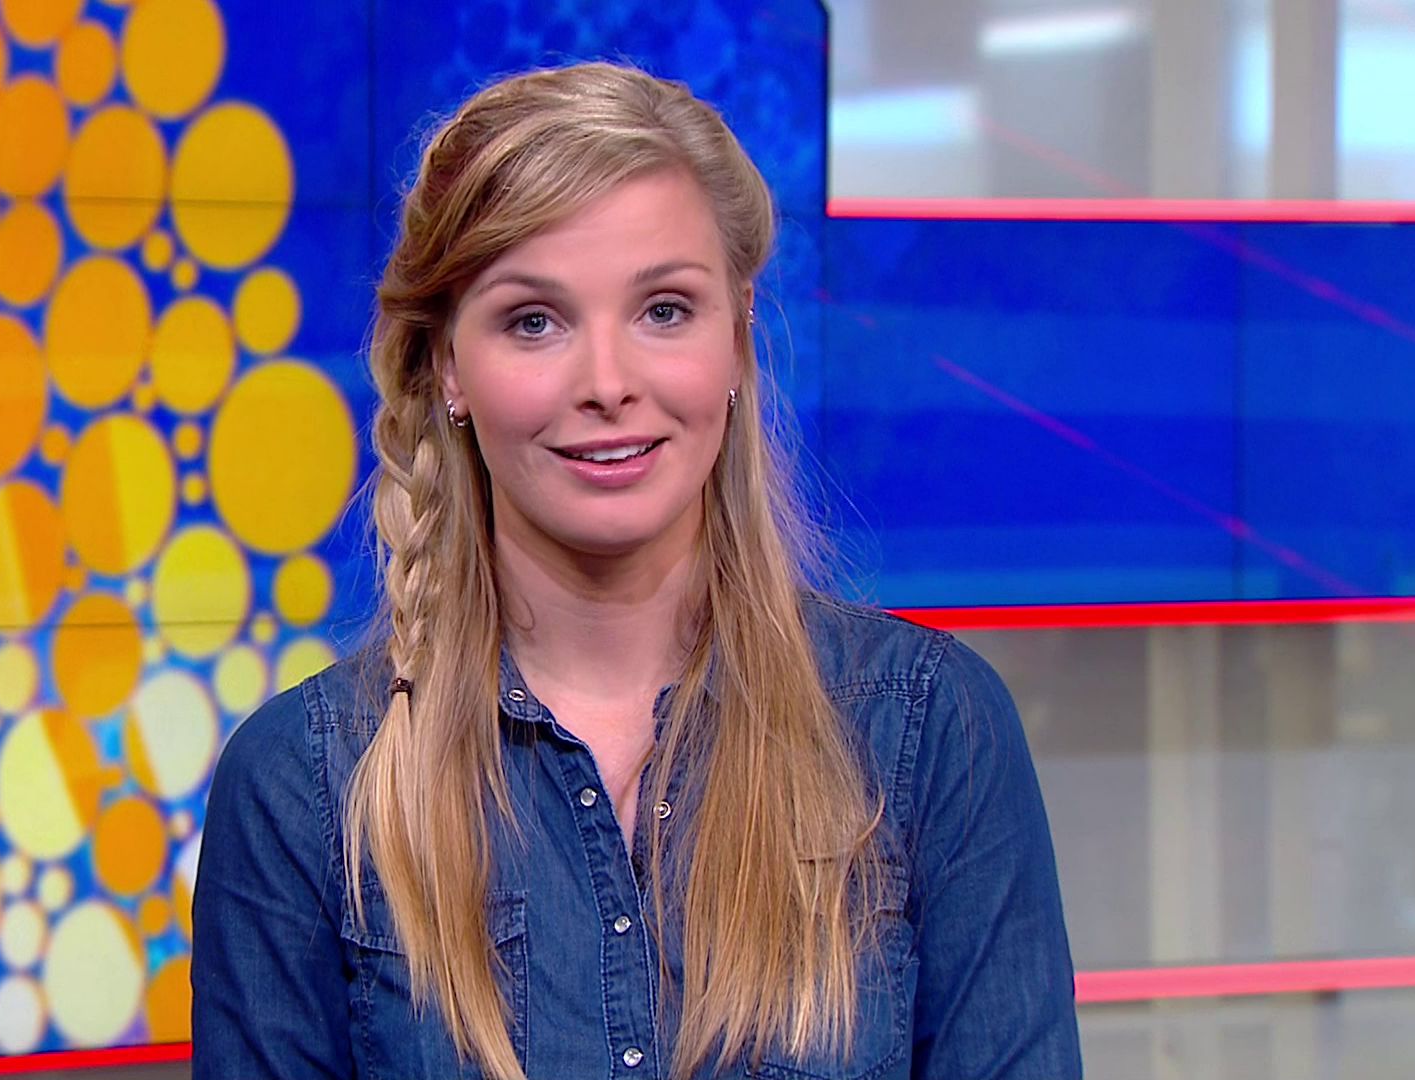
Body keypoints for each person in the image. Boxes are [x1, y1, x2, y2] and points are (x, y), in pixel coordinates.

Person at [191, 61, 1081, 1080]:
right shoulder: (304, 787)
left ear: (737, 335)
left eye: (663, 310)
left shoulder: (927, 734)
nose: (608, 384)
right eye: (534, 321)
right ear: (448, 367)